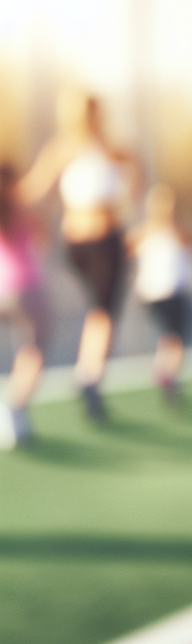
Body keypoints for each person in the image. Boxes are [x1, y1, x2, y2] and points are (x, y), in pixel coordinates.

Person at [18, 90, 142, 422]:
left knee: (102, 311)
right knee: (100, 311)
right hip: (79, 244)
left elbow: (137, 180)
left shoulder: (115, 149)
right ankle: (88, 376)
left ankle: (89, 378)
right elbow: (33, 191)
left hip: (109, 239)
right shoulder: (62, 150)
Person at [127, 183, 192, 404]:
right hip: (155, 295)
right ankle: (166, 374)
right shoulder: (143, 232)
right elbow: (125, 253)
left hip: (178, 292)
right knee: (174, 337)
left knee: (174, 338)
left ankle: (167, 372)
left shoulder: (182, 232)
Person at [0, 164, 49, 448]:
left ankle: (15, 410)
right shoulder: (22, 211)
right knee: (34, 352)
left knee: (25, 349)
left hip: (3, 293)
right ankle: (16, 408)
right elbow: (44, 238)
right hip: (28, 292)